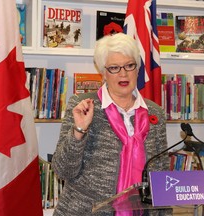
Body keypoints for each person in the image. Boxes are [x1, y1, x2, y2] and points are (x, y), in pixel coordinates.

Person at [51, 33, 172, 216]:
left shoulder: (154, 113)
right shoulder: (83, 106)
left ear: (137, 69)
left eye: (129, 66)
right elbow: (63, 170)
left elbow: (160, 175)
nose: (123, 73)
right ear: (103, 73)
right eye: (114, 68)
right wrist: (79, 131)